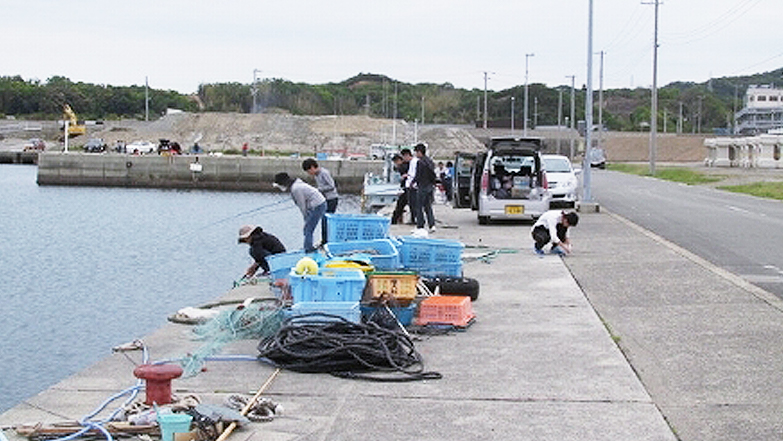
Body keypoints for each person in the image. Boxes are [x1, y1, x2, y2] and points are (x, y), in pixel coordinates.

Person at [273, 172, 326, 252]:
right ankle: (308, 247)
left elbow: (302, 205)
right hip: (317, 204)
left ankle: (308, 249)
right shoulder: (296, 185)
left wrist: (306, 217)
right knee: (308, 228)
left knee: (308, 229)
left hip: (318, 205)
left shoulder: (296, 189)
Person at [302, 158, 339, 244]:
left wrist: (319, 190)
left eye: (308, 171)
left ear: (312, 167)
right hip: (324, 199)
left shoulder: (324, 173)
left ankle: (326, 240)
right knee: (323, 220)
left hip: (331, 199)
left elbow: (332, 186)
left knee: (326, 220)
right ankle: (324, 239)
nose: (309, 173)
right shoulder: (316, 175)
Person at [412, 143, 437, 234]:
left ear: (419, 152)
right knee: (428, 206)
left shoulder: (420, 162)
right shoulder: (430, 161)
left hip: (422, 186)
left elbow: (418, 175)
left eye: (416, 152)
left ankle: (420, 226)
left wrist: (412, 182)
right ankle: (432, 225)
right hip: (430, 186)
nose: (415, 154)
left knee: (418, 207)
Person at [391, 152, 414, 225]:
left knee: (400, 206)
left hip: (407, 189)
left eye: (396, 161)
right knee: (408, 206)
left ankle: (394, 221)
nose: (396, 163)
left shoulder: (404, 166)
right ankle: (412, 219)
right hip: (405, 188)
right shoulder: (406, 165)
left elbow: (400, 170)